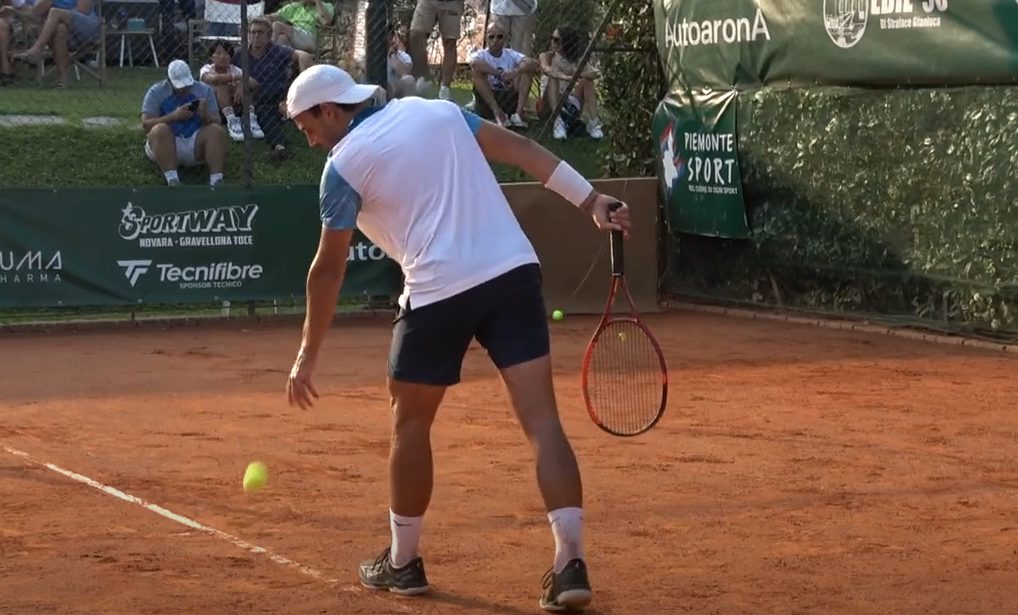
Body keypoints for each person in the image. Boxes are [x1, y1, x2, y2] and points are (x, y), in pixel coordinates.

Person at [283, 64, 631, 612]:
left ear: (330, 110)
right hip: (513, 273)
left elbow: (327, 271)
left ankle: (402, 562)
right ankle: (570, 564)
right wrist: (592, 201)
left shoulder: (342, 166)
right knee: (543, 424)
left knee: (411, 422)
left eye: (306, 123)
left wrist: (308, 353)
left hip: (438, 289)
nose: (306, 136)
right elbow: (521, 150)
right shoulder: (440, 111)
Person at [141, 59, 228, 186]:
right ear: (169, 80)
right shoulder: (156, 92)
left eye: (187, 84)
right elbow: (146, 125)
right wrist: (174, 116)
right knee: (159, 129)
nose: (184, 89)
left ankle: (216, 180)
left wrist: (205, 116)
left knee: (216, 131)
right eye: (180, 86)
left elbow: (217, 121)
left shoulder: (204, 90)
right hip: (167, 143)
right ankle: (172, 180)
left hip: (195, 140)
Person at [538, 24, 603, 141]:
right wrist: (565, 77)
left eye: (557, 40)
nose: (553, 42)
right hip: (549, 103)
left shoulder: (576, 60)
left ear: (567, 42)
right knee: (553, 76)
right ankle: (557, 122)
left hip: (569, 101)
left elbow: (596, 73)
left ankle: (594, 122)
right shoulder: (547, 56)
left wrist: (577, 75)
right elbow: (547, 69)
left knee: (587, 81)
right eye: (552, 38)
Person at [469, 22, 539, 128]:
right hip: (488, 98)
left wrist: (514, 72)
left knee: (527, 71)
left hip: (508, 96)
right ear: (486, 38)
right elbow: (473, 63)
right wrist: (499, 74)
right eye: (491, 37)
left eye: (499, 37)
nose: (495, 40)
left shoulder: (510, 53)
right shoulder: (481, 54)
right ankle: (497, 112)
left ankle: (518, 114)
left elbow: (533, 63)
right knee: (478, 72)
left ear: (505, 38)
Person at [199, 39, 264, 141]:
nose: (223, 57)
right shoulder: (206, 69)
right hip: (212, 108)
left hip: (234, 105)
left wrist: (241, 86)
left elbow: (255, 83)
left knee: (244, 86)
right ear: (211, 57)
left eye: (226, 53)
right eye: (218, 53)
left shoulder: (234, 69)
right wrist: (237, 79)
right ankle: (232, 123)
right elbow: (214, 79)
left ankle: (251, 120)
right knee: (223, 85)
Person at [408, 0, 463, 100]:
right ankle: (424, 79)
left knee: (449, 42)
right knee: (416, 35)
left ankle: (444, 89)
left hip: (452, 2)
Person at [266, 0, 334, 53]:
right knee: (282, 38)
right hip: (294, 34)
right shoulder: (295, 7)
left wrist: (317, 2)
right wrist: (261, 17)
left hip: (310, 36)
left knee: (277, 25)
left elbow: (326, 23)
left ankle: (268, 52)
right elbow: (273, 17)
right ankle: (277, 63)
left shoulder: (326, 6)